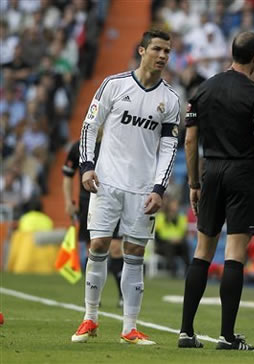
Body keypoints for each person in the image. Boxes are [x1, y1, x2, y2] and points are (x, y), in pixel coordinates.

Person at [71, 29, 180, 345]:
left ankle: (129, 328)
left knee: (134, 253)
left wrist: (159, 188)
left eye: (167, 51)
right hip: (106, 181)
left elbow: (169, 147)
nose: (162, 56)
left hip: (142, 188)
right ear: (142, 50)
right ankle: (90, 319)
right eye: (157, 49)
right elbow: (90, 125)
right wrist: (87, 166)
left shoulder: (170, 99)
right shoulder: (113, 85)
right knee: (99, 247)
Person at [178, 31, 254, 351]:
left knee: (203, 251)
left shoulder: (204, 89)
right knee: (235, 252)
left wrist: (194, 183)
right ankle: (226, 336)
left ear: (231, 53)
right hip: (243, 173)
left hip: (211, 170)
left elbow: (190, 141)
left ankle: (186, 331)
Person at [62, 136, 124, 308]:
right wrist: (68, 202)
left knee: (116, 247)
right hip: (87, 203)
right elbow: (68, 175)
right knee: (94, 248)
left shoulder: (115, 141)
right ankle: (93, 297)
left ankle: (122, 296)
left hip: (112, 200)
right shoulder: (79, 145)